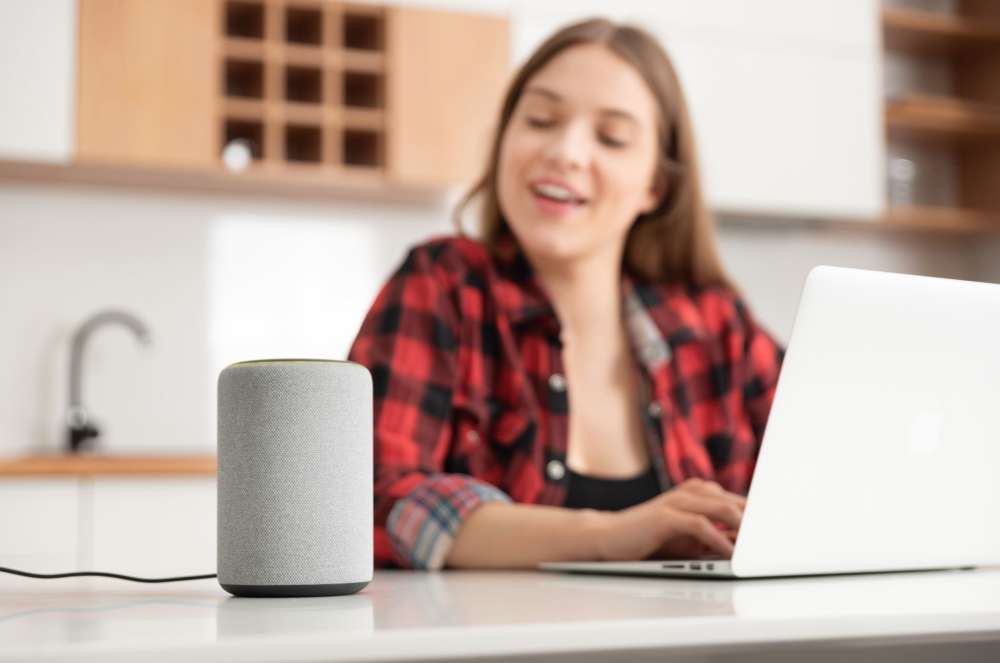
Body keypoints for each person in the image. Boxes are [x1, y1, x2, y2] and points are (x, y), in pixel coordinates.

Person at [348, 17, 784, 570]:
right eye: (540, 119)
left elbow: (826, 475)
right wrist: (613, 533)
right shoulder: (444, 284)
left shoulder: (716, 324)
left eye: (612, 137)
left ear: (657, 185)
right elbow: (371, 499)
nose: (566, 151)